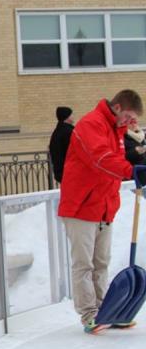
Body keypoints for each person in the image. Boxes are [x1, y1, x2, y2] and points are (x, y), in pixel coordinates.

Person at [58, 89, 144, 334]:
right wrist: (133, 171)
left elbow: (118, 162)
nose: (130, 122)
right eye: (127, 116)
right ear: (117, 107)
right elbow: (101, 159)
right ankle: (89, 315)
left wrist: (137, 163)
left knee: (101, 262)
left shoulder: (116, 130)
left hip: (103, 206)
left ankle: (105, 311)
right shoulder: (90, 124)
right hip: (81, 206)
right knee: (83, 265)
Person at [49, 106, 75, 183]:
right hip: (69, 171)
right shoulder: (68, 132)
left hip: (61, 171)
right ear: (67, 117)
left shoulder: (57, 131)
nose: (73, 116)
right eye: (71, 114)